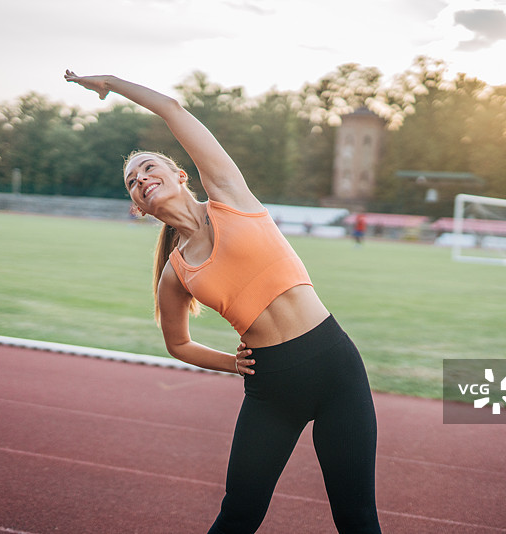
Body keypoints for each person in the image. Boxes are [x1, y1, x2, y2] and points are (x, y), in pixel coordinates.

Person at [65, 70, 381, 534]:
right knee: (239, 515)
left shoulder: (231, 196)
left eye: (149, 167)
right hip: (272, 388)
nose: (141, 179)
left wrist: (111, 83)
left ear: (178, 174)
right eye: (132, 181)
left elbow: (172, 110)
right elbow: (179, 344)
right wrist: (233, 365)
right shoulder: (176, 273)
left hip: (335, 366)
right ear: (138, 207)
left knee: (355, 517)